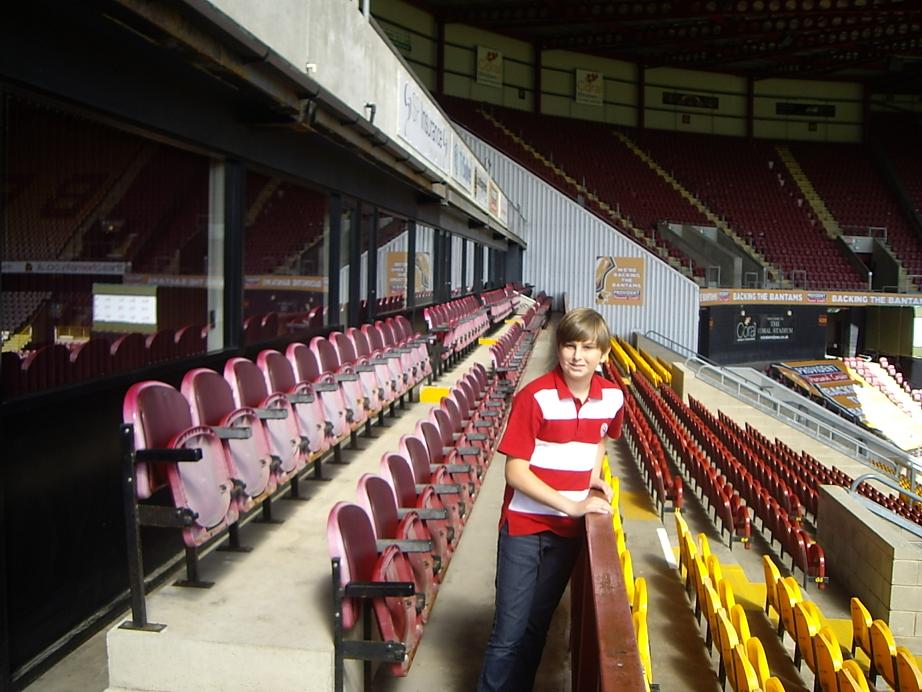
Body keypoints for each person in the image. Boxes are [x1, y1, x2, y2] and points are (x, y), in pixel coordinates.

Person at [477, 307, 626, 692]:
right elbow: (515, 472)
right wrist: (573, 505)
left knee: (536, 629)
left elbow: (600, 437)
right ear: (559, 348)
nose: (578, 356)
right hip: (524, 527)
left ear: (604, 354)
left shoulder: (613, 397)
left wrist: (591, 477)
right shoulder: (534, 397)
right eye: (570, 346)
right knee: (508, 635)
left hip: (566, 534)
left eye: (588, 348)